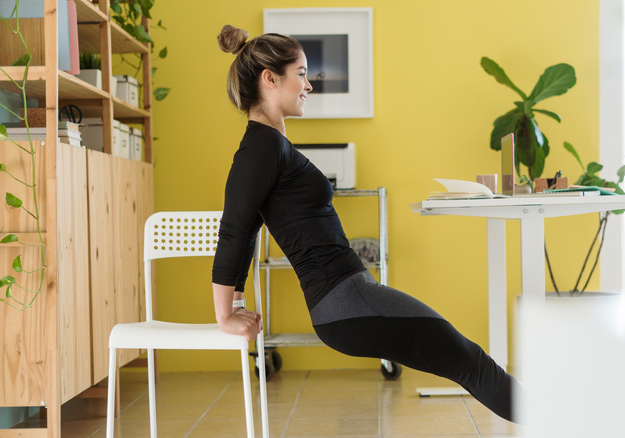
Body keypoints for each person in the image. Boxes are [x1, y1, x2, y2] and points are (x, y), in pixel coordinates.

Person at [211, 24, 523, 423]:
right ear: (270, 79)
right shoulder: (261, 147)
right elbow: (235, 228)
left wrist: (237, 303)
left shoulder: (272, 145)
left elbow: (249, 229)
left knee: (467, 360)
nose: (308, 85)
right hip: (345, 300)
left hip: (349, 297)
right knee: (470, 361)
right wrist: (226, 313)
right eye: (302, 74)